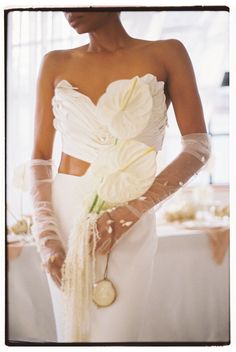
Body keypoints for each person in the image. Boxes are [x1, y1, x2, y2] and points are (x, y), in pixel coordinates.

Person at [29, 10, 211, 343]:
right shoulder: (54, 62)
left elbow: (197, 148)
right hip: (65, 216)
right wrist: (46, 235)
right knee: (71, 334)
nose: (68, 9)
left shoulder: (167, 53)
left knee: (118, 335)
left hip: (132, 209)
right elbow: (40, 159)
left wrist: (131, 213)